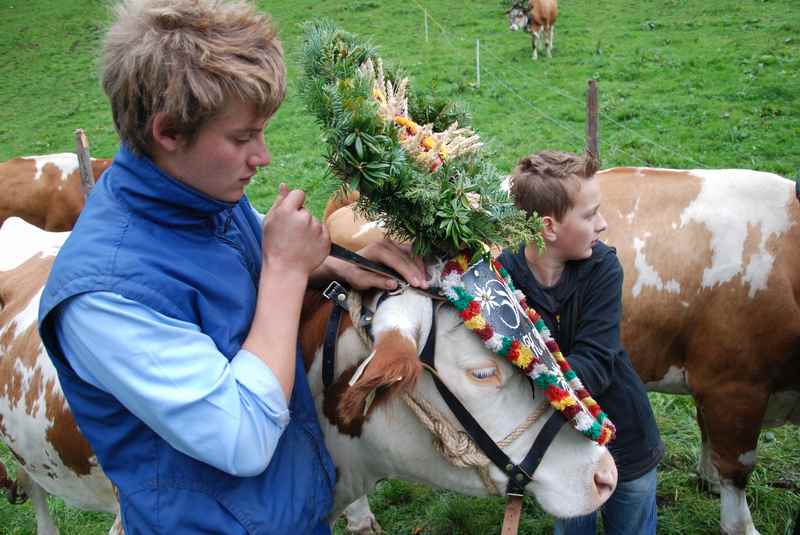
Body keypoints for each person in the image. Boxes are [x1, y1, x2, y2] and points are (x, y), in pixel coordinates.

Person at [37, 1, 427, 533]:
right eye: (243, 137)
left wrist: (332, 261)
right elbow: (242, 438)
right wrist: (287, 271)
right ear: (169, 131)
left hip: (286, 510)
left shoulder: (197, 195)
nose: (262, 156)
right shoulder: (103, 298)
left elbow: (238, 262)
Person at [497, 151, 663, 535]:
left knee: (633, 526)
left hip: (625, 438)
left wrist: (522, 386)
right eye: (590, 215)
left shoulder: (603, 268)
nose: (602, 224)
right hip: (560, 449)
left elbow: (597, 361)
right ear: (549, 228)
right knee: (573, 526)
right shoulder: (503, 278)